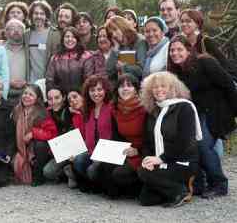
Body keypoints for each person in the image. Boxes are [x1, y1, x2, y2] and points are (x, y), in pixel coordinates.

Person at [168, 35, 236, 198]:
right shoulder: (176, 72)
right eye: (172, 50)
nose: (175, 53)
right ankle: (199, 183)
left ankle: (219, 183)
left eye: (179, 49)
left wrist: (234, 113)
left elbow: (228, 85)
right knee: (192, 146)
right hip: (196, 114)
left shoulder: (205, 62)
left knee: (203, 145)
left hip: (216, 113)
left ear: (188, 50)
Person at [138, 71, 200, 207]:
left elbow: (184, 142)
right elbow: (148, 141)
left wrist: (161, 158)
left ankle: (181, 191)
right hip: (162, 160)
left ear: (172, 88)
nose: (159, 90)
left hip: (183, 161)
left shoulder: (184, 107)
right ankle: (175, 187)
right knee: (145, 199)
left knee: (143, 173)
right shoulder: (153, 110)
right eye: (155, 87)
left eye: (163, 86)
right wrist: (148, 159)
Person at [97, 74, 146, 198]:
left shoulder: (145, 109)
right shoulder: (115, 109)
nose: (125, 89)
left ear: (136, 89)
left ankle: (139, 188)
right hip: (125, 148)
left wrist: (137, 151)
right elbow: (116, 135)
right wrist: (113, 152)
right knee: (102, 167)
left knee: (120, 174)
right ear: (117, 90)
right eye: (121, 86)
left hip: (143, 151)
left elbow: (151, 138)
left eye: (129, 86)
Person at [73, 75, 114, 192]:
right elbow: (85, 134)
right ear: (87, 92)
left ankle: (99, 185)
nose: (96, 93)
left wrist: (102, 154)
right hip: (91, 150)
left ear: (106, 90)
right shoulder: (88, 109)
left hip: (107, 151)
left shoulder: (112, 107)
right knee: (78, 161)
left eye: (99, 89)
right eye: (92, 90)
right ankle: (91, 182)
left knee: (93, 170)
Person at [13, 84, 58, 186]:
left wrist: (33, 133)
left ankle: (39, 175)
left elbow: (52, 133)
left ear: (37, 99)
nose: (26, 96)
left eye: (31, 95)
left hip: (37, 148)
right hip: (22, 146)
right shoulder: (17, 110)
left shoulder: (42, 113)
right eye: (25, 93)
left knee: (40, 145)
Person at [180, 9, 237, 79]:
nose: (184, 24)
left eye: (188, 21)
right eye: (182, 21)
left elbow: (224, 64)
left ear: (197, 24)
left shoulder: (205, 41)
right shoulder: (180, 43)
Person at [46, 27, 93, 94]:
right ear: (62, 39)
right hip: (60, 97)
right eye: (67, 37)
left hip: (81, 96)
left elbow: (88, 80)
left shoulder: (86, 56)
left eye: (73, 37)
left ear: (77, 39)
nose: (70, 39)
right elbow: (49, 80)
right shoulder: (55, 58)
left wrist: (78, 95)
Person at [24, 0, 61, 83]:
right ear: (31, 15)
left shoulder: (55, 34)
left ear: (46, 16)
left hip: (48, 81)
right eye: (36, 13)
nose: (39, 16)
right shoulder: (26, 34)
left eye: (42, 14)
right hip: (31, 82)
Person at [105, 16, 147, 80]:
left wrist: (124, 67)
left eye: (115, 30)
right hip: (121, 84)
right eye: (111, 33)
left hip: (136, 83)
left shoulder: (139, 41)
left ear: (123, 26)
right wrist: (115, 49)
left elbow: (142, 70)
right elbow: (108, 71)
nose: (114, 35)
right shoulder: (117, 45)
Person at [4, 19, 29, 103]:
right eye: (12, 28)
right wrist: (8, 82)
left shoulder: (29, 50)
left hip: (25, 95)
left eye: (20, 28)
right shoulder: (0, 49)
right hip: (4, 94)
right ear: (6, 32)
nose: (16, 30)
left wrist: (27, 82)